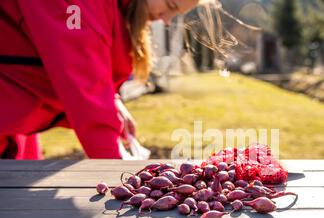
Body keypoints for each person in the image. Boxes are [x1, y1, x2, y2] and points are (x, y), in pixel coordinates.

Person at [0, 0, 199, 159]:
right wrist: (117, 173)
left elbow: (88, 62)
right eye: (170, 5)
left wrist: (112, 102)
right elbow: (83, 80)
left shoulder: (113, 9)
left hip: (16, 127)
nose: (166, 20)